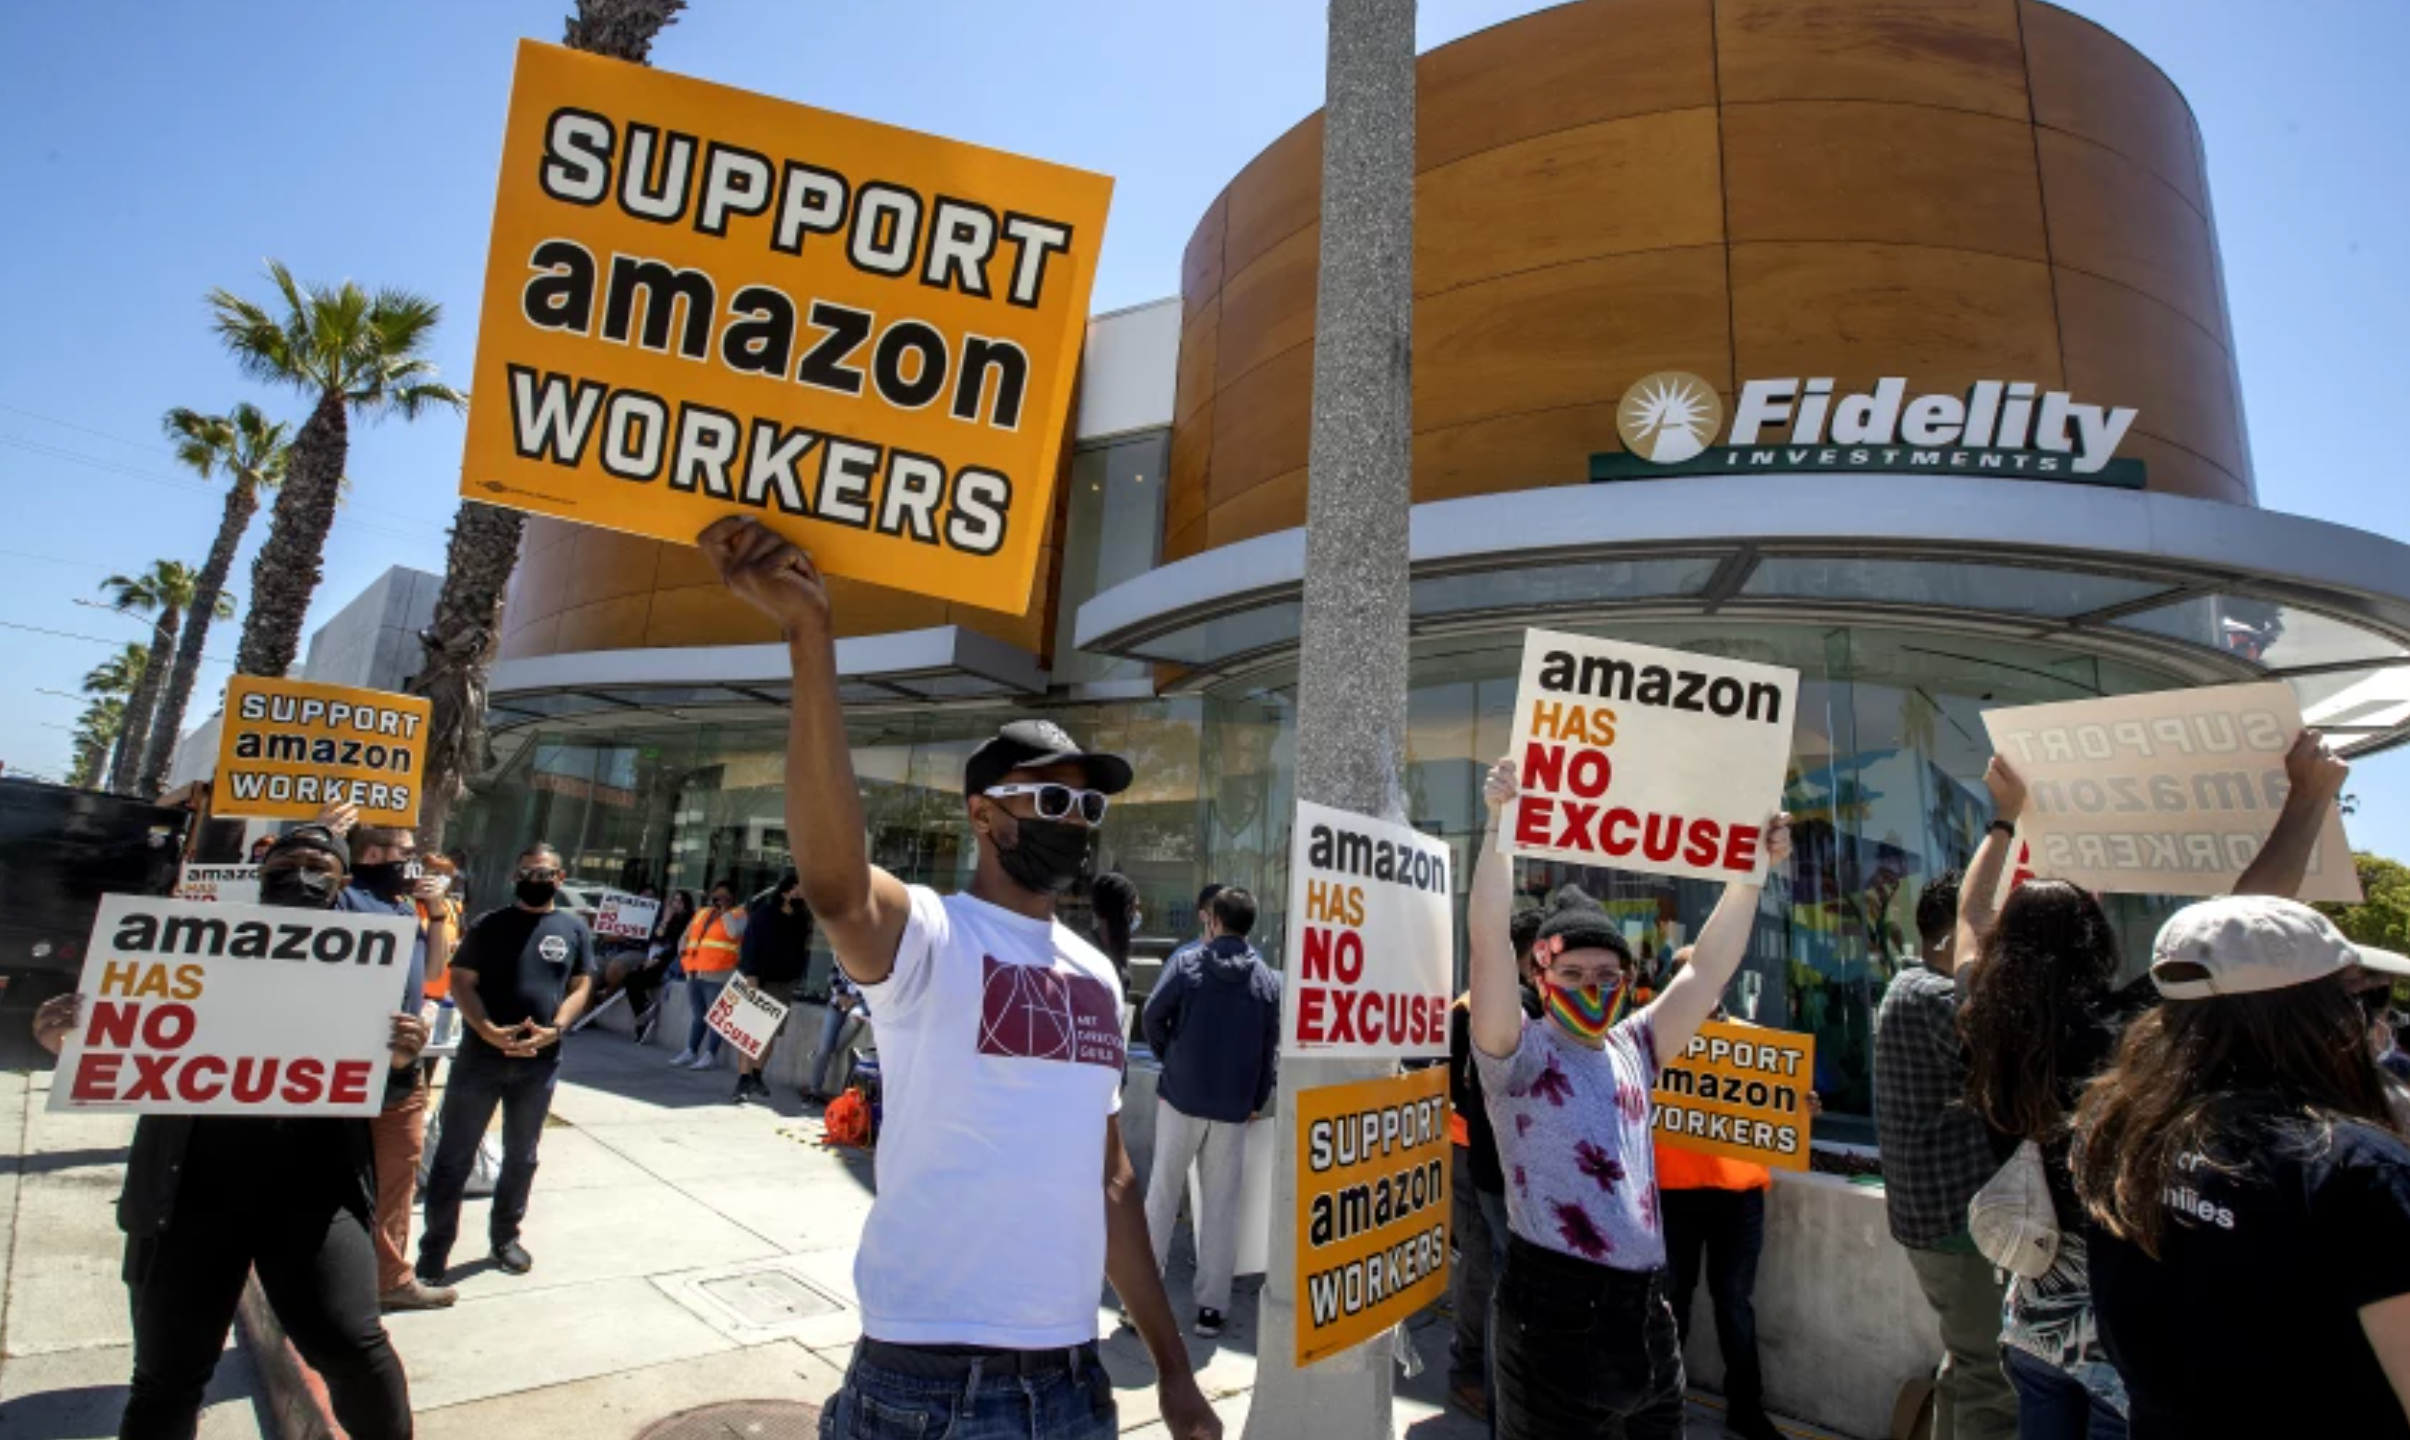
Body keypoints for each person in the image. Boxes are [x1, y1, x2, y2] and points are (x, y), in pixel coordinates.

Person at [701, 515, 1218, 1440]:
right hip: (924, 1389)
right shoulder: (933, 934)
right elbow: (835, 885)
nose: (1077, 820)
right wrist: (810, 639)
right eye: (1052, 801)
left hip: (1072, 1385)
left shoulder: (1098, 976)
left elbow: (1112, 1185)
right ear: (983, 815)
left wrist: (1173, 1372)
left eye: (1089, 804)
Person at [1956, 733, 2346, 1440]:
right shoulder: (2125, 1032)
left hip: (2030, 1320)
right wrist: (2309, 797)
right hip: (2118, 1332)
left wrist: (2004, 819)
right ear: (2095, 945)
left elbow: (1970, 920)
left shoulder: (1983, 1023)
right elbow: (2237, 920)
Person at [35, 825, 422, 1440]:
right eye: (287, 861)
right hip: (187, 1196)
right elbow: (123, 1039)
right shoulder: (186, 947)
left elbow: (390, 1090)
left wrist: (402, 1062)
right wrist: (69, 1041)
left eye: (319, 864)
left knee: (357, 1349)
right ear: (259, 872)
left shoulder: (375, 959)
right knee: (168, 1377)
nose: (301, 872)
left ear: (343, 882)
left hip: (313, 1198)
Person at [1468, 755, 1791, 1439]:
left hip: (1647, 1315)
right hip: (1553, 1314)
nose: (1593, 984)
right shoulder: (1516, 1052)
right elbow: (1488, 941)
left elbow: (1707, 967)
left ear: (1629, 977)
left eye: (1607, 972)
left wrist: (1749, 871)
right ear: (1542, 973)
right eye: (1575, 972)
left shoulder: (1635, 1048)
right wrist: (1500, 827)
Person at [2076, 894, 2410, 1438]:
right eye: (2356, 996)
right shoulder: (2351, 1169)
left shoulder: (2118, 1135)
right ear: (2312, 1012)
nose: (2368, 1015)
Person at [1871, 868, 2018, 1440]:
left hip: (1939, 1219)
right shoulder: (1931, 997)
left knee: (1966, 1363)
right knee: (1991, 1378)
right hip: (1955, 1222)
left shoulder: (1908, 990)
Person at [416, 843, 595, 1283]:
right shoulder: (488, 925)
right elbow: (461, 982)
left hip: (540, 1062)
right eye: (528, 873)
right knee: (454, 1158)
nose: (537, 880)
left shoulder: (573, 929)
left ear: (561, 876)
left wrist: (556, 1028)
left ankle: (505, 1239)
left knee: (523, 1156)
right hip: (481, 1058)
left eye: (546, 873)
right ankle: (434, 1251)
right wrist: (486, 1029)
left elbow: (581, 984)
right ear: (516, 877)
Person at [1653, 945, 1810, 1440]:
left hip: (1737, 1198)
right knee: (1673, 1302)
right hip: (1674, 1195)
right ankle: (1662, 1404)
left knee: (1733, 1304)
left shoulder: (1755, 1044)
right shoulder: (1650, 1042)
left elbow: (1784, 1107)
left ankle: (1745, 1408)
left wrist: (1801, 1104)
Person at [1141, 885, 1279, 1339]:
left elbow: (1152, 1017)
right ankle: (1211, 1309)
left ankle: (1142, 1300)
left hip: (1182, 1098)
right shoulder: (1266, 980)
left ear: (1213, 921)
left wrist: (1171, 1059)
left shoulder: (1187, 963)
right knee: (1222, 1206)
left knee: (1162, 1194)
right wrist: (1256, 1099)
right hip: (1234, 1108)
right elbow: (1268, 1048)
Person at [336, 821, 459, 1313]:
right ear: (373, 854)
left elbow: (432, 973)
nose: (415, 862)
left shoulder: (403, 908)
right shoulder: (343, 900)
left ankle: (390, 1277)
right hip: (347, 1063)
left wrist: (434, 914)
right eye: (406, 853)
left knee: (398, 1176)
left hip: (401, 1069)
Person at [1447, 898, 1543, 1420]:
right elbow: (1459, 1087)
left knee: (1492, 1270)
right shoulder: (1480, 1007)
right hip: (1475, 1156)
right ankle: (1467, 1371)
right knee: (1481, 1269)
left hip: (1496, 1158)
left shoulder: (1510, 1002)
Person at [731, 870, 813, 1103]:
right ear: (787, 892)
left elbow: (801, 949)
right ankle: (743, 1078)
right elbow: (750, 945)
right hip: (760, 980)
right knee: (750, 1032)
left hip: (784, 983)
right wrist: (751, 974)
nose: (802, 895)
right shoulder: (764, 915)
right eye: (798, 890)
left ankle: (757, 1074)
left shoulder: (801, 919)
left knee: (770, 1035)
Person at [670, 880, 741, 1068]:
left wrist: (725, 912)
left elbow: (734, 933)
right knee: (698, 1014)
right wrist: (683, 956)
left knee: (715, 1018)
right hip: (694, 970)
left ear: (732, 897)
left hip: (719, 973)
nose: (719, 899)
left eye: (724, 895)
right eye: (717, 895)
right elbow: (686, 936)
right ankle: (690, 1051)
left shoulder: (738, 914)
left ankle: (710, 1054)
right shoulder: (702, 913)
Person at [638, 888, 697, 1045]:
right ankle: (643, 1011)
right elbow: (657, 937)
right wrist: (665, 920)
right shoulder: (670, 919)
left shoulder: (688, 920)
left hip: (672, 960)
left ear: (686, 904)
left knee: (639, 978)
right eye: (674, 901)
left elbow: (676, 946)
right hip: (659, 956)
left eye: (679, 901)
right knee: (631, 977)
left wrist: (658, 958)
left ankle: (644, 1015)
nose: (676, 904)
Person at [804, 966, 868, 1103]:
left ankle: (823, 1051)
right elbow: (833, 975)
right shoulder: (845, 953)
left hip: (861, 1004)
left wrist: (856, 1000)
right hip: (838, 1002)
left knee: (855, 1019)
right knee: (824, 1048)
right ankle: (814, 1091)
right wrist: (840, 995)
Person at [1089, 871, 1140, 994]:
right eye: (1134, 908)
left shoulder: (1116, 950)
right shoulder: (1088, 953)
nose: (1137, 915)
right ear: (1124, 911)